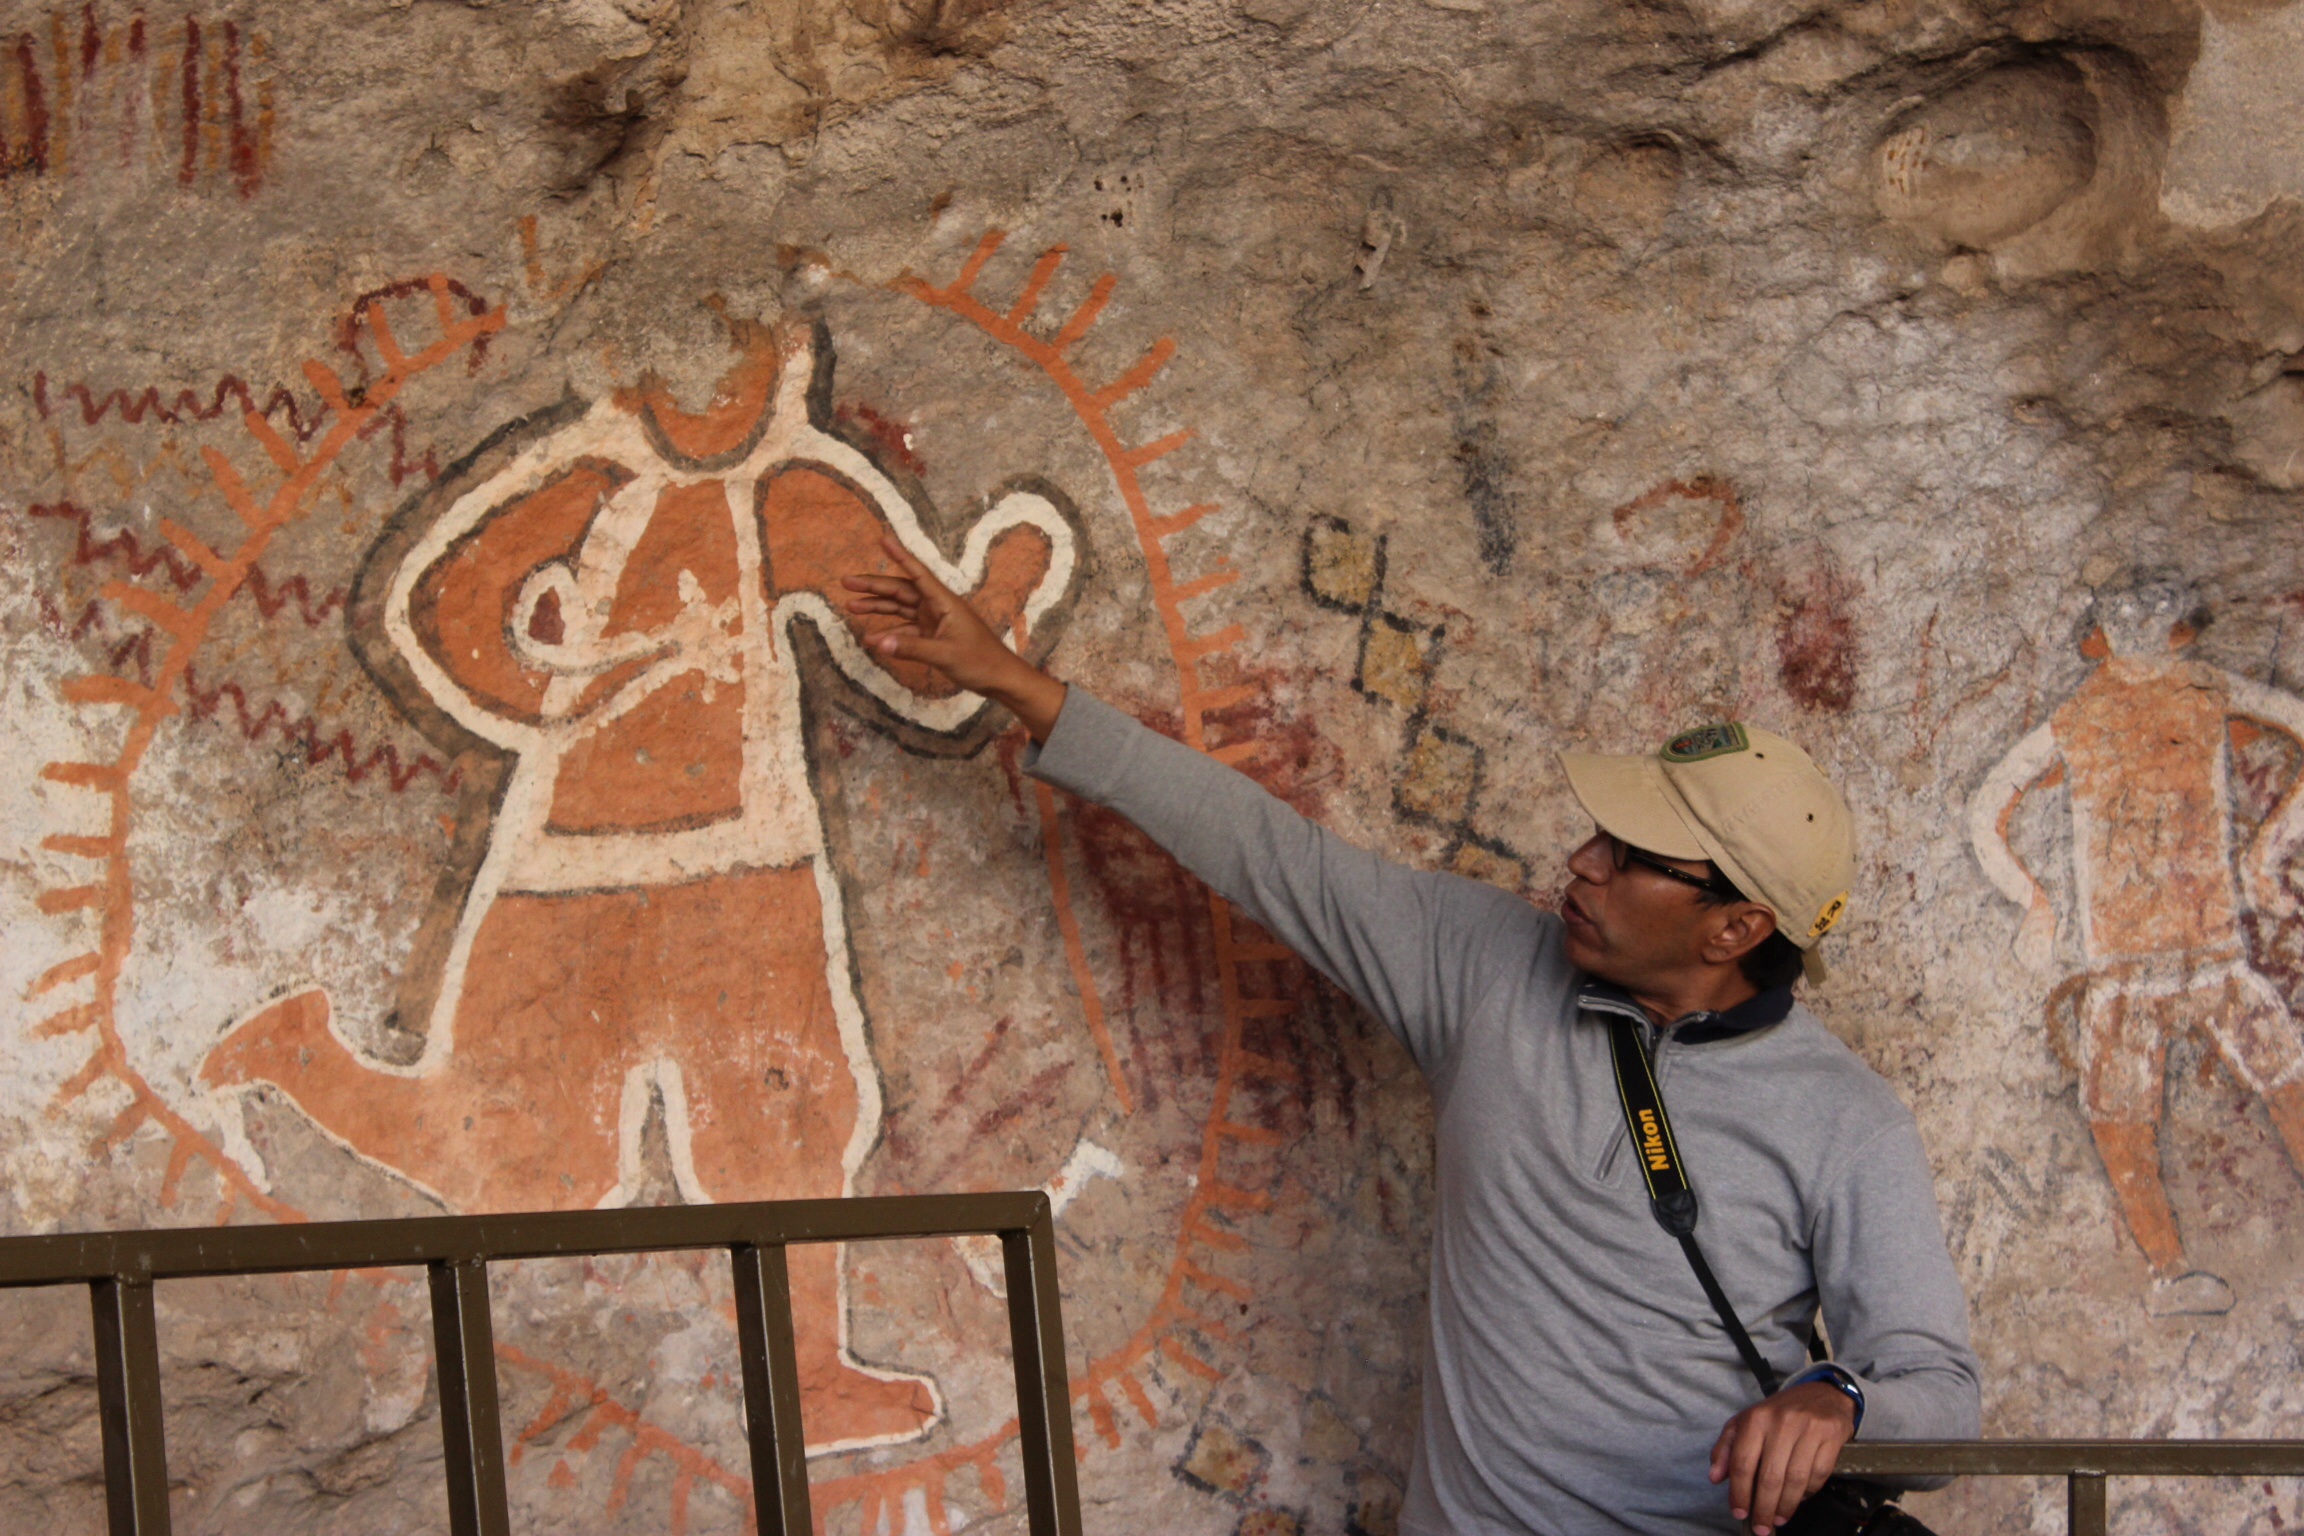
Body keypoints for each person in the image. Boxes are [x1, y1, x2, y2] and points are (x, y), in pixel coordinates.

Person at [842, 537, 1982, 1535]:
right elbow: (1259, 848)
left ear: (1737, 925)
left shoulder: (1848, 1122)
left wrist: (1841, 1399)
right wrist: (1009, 680)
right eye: (1600, 833)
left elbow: (1937, 1391)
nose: (1582, 863)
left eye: (1633, 859)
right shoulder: (1487, 965)